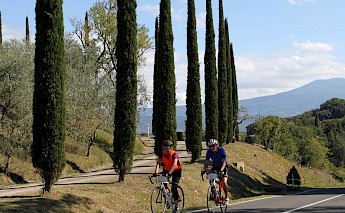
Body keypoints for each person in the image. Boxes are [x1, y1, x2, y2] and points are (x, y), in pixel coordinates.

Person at [155, 139, 182, 213]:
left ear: (171, 148)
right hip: (167, 169)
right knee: (163, 184)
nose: (166, 151)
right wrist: (156, 172)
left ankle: (176, 207)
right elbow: (158, 163)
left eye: (167, 149)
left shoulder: (174, 154)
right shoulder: (162, 154)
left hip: (176, 170)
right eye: (164, 149)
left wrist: (169, 173)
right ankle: (168, 196)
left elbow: (174, 164)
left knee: (174, 187)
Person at [203, 138, 229, 205]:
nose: (212, 148)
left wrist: (221, 170)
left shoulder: (221, 150)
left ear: (216, 145)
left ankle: (226, 197)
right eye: (210, 146)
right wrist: (204, 169)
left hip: (223, 166)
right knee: (211, 178)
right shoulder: (209, 152)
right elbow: (206, 162)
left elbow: (224, 162)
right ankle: (214, 194)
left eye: (213, 146)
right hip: (215, 166)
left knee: (224, 181)